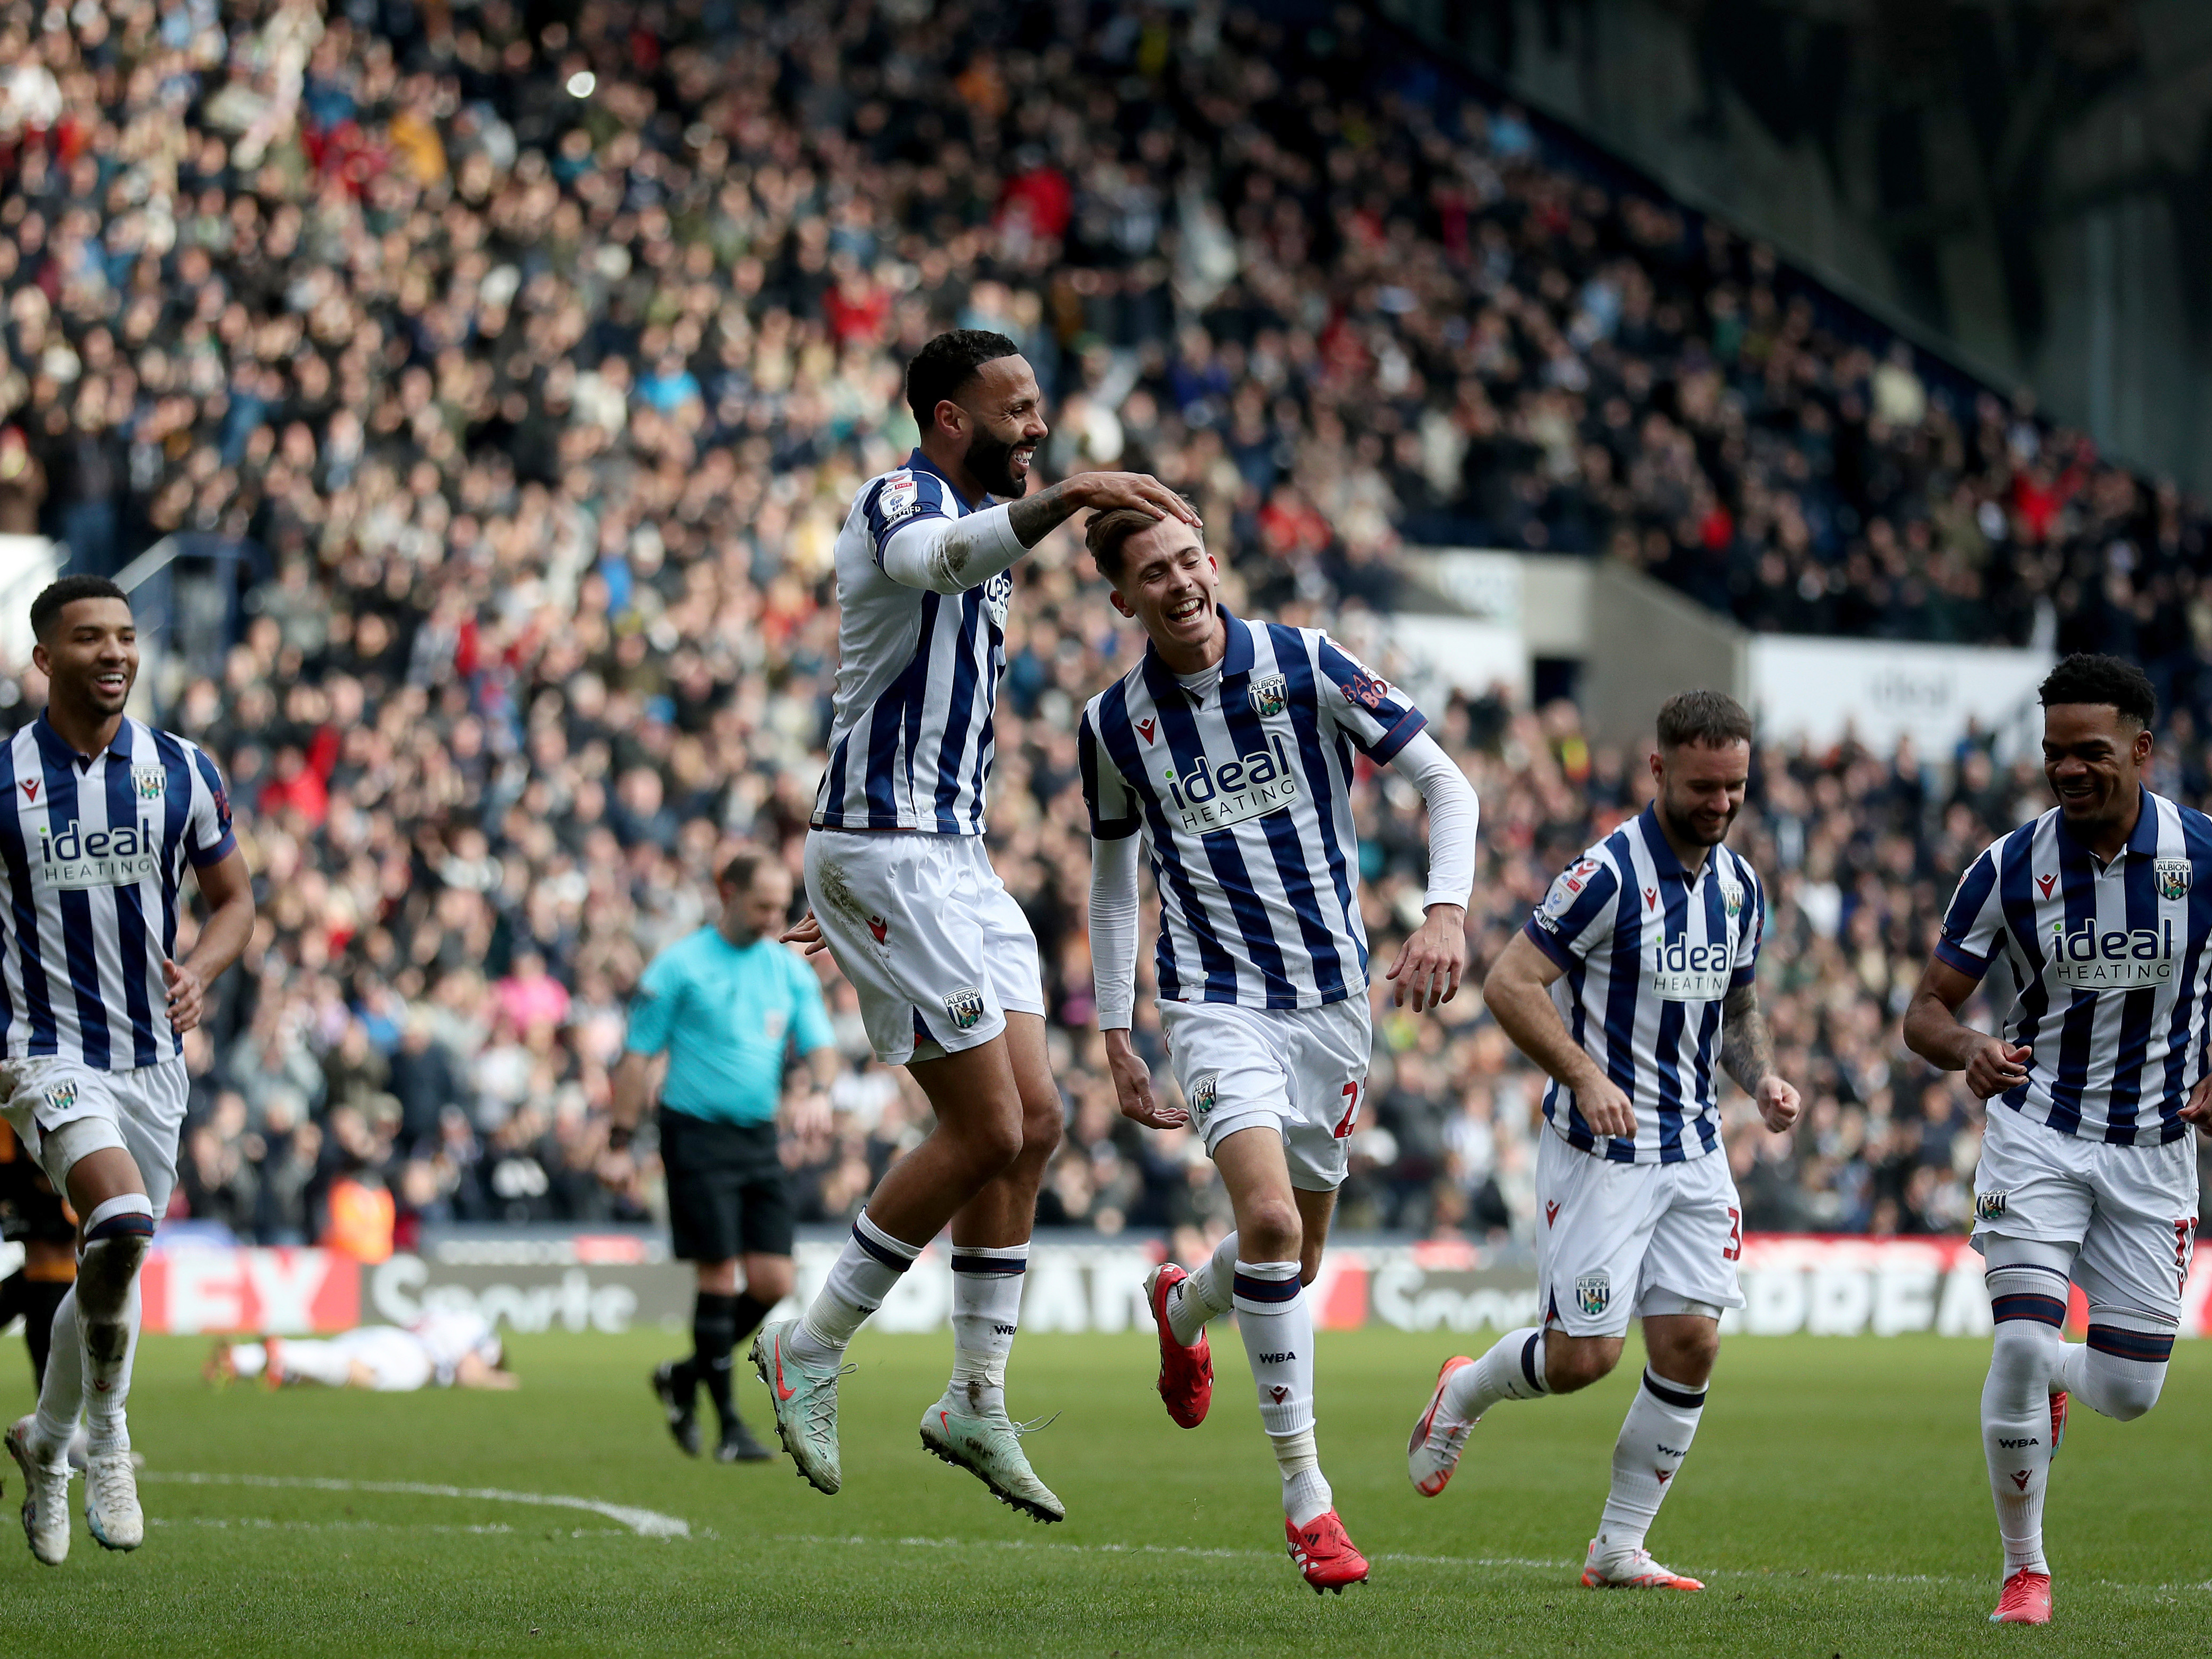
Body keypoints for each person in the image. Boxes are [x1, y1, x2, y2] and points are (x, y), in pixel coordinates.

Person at [756, 329, 1196, 1523]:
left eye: (1041, 408)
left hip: (945, 857)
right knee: (983, 1121)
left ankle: (974, 1398)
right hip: (888, 851)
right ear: (950, 418)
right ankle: (811, 1344)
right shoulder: (905, 499)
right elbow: (939, 562)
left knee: (1036, 1123)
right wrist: (1074, 496)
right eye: (1017, 410)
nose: (1038, 429)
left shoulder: (988, 524)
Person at [1078, 506, 1478, 1591]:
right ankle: (1310, 1501)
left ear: (1212, 562)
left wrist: (1446, 913)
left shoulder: (1305, 662)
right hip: (1214, 1001)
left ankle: (1182, 1305)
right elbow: (1116, 885)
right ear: (1122, 598)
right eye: (1149, 574)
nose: (1176, 583)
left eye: (1185, 561)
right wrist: (1116, 1031)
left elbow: (1448, 783)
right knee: (1263, 1220)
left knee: (1290, 1261)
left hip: (1331, 1002)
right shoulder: (1115, 726)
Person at [1407, 689, 1800, 1593]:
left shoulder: (1739, 886)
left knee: (1690, 1343)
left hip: (1696, 1148)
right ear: (1658, 769)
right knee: (1586, 1356)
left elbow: (1736, 1005)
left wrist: (1761, 1080)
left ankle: (1618, 1546)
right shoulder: (1607, 874)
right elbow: (1510, 982)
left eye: (1735, 786)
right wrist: (1585, 1075)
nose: (1721, 803)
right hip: (1601, 1153)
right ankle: (1464, 1390)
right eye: (1704, 785)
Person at [1902, 654, 2211, 1628]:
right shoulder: (2005, 867)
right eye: (2052, 754)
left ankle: (2067, 1383)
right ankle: (2024, 1569)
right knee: (2023, 1341)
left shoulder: (2202, 858)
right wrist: (1968, 1049)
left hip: (2155, 1148)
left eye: (2089, 751)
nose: (2068, 770)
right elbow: (1923, 1011)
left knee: (2129, 1389)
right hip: (2035, 1134)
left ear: (2142, 749)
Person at [0, 574, 255, 1565]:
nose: (113, 652)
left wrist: (203, 968)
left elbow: (235, 899)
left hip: (153, 1061)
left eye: (124, 635)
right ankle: (108, 1434)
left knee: (116, 1264)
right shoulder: (4, 777)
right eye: (87, 637)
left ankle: (46, 1437)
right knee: (118, 1223)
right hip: (45, 1052)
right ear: (44, 658)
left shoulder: (179, 767)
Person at [614, 853, 835, 1463]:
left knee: (773, 1281)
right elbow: (637, 1056)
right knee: (718, 1275)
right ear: (726, 892)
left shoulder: (787, 972)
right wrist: (618, 1138)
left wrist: (817, 1090)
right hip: (695, 1135)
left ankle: (683, 1376)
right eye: (762, 904)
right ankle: (730, 1425)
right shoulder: (681, 965)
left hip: (757, 1137)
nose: (773, 917)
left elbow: (821, 1045)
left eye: (779, 905)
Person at [209, 1308, 515, 1392]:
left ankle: (239, 1360)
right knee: (361, 1374)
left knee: (325, 1371)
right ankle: (281, 1352)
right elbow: (468, 1372)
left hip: (388, 1335)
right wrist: (500, 1382)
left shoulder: (451, 1314)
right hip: (417, 1358)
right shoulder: (486, 1337)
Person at [0, 1118, 75, 1389]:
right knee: (49, 1373)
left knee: (50, 1373)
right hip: (35, 1277)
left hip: (57, 1283)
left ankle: (58, 1429)